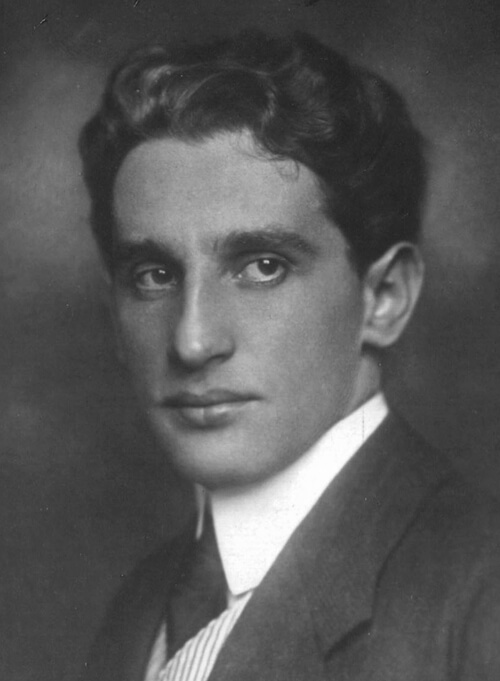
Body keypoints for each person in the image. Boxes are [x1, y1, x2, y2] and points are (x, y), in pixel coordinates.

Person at [78, 29, 500, 681]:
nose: (193, 340)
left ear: (384, 297)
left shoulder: (481, 591)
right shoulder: (138, 605)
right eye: (153, 275)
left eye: (263, 266)